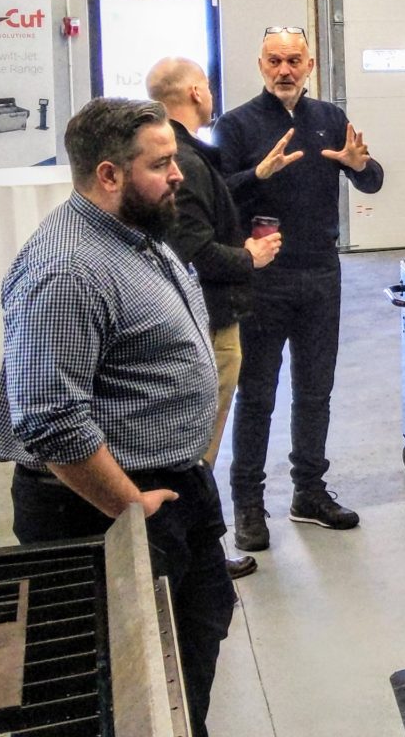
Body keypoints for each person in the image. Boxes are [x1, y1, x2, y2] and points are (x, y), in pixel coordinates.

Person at [0, 97, 232, 737]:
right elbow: (50, 419)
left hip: (170, 489)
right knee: (109, 694)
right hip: (101, 509)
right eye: (160, 165)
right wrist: (131, 508)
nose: (178, 175)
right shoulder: (67, 269)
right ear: (109, 174)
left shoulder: (138, 235)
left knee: (184, 660)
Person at [214, 27, 386, 551]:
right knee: (257, 395)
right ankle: (248, 503)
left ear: (310, 64)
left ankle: (309, 492)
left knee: (315, 392)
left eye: (293, 60)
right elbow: (219, 196)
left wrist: (360, 165)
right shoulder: (236, 125)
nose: (284, 70)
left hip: (322, 274)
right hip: (264, 277)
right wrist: (258, 173)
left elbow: (373, 179)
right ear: (260, 65)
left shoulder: (329, 119)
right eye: (274, 61)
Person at [147, 56, 282, 581]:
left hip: (198, 316)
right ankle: (195, 556)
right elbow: (194, 249)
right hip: (210, 321)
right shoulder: (184, 161)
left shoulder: (180, 156)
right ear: (196, 93)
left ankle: (191, 549)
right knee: (197, 447)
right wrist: (249, 256)